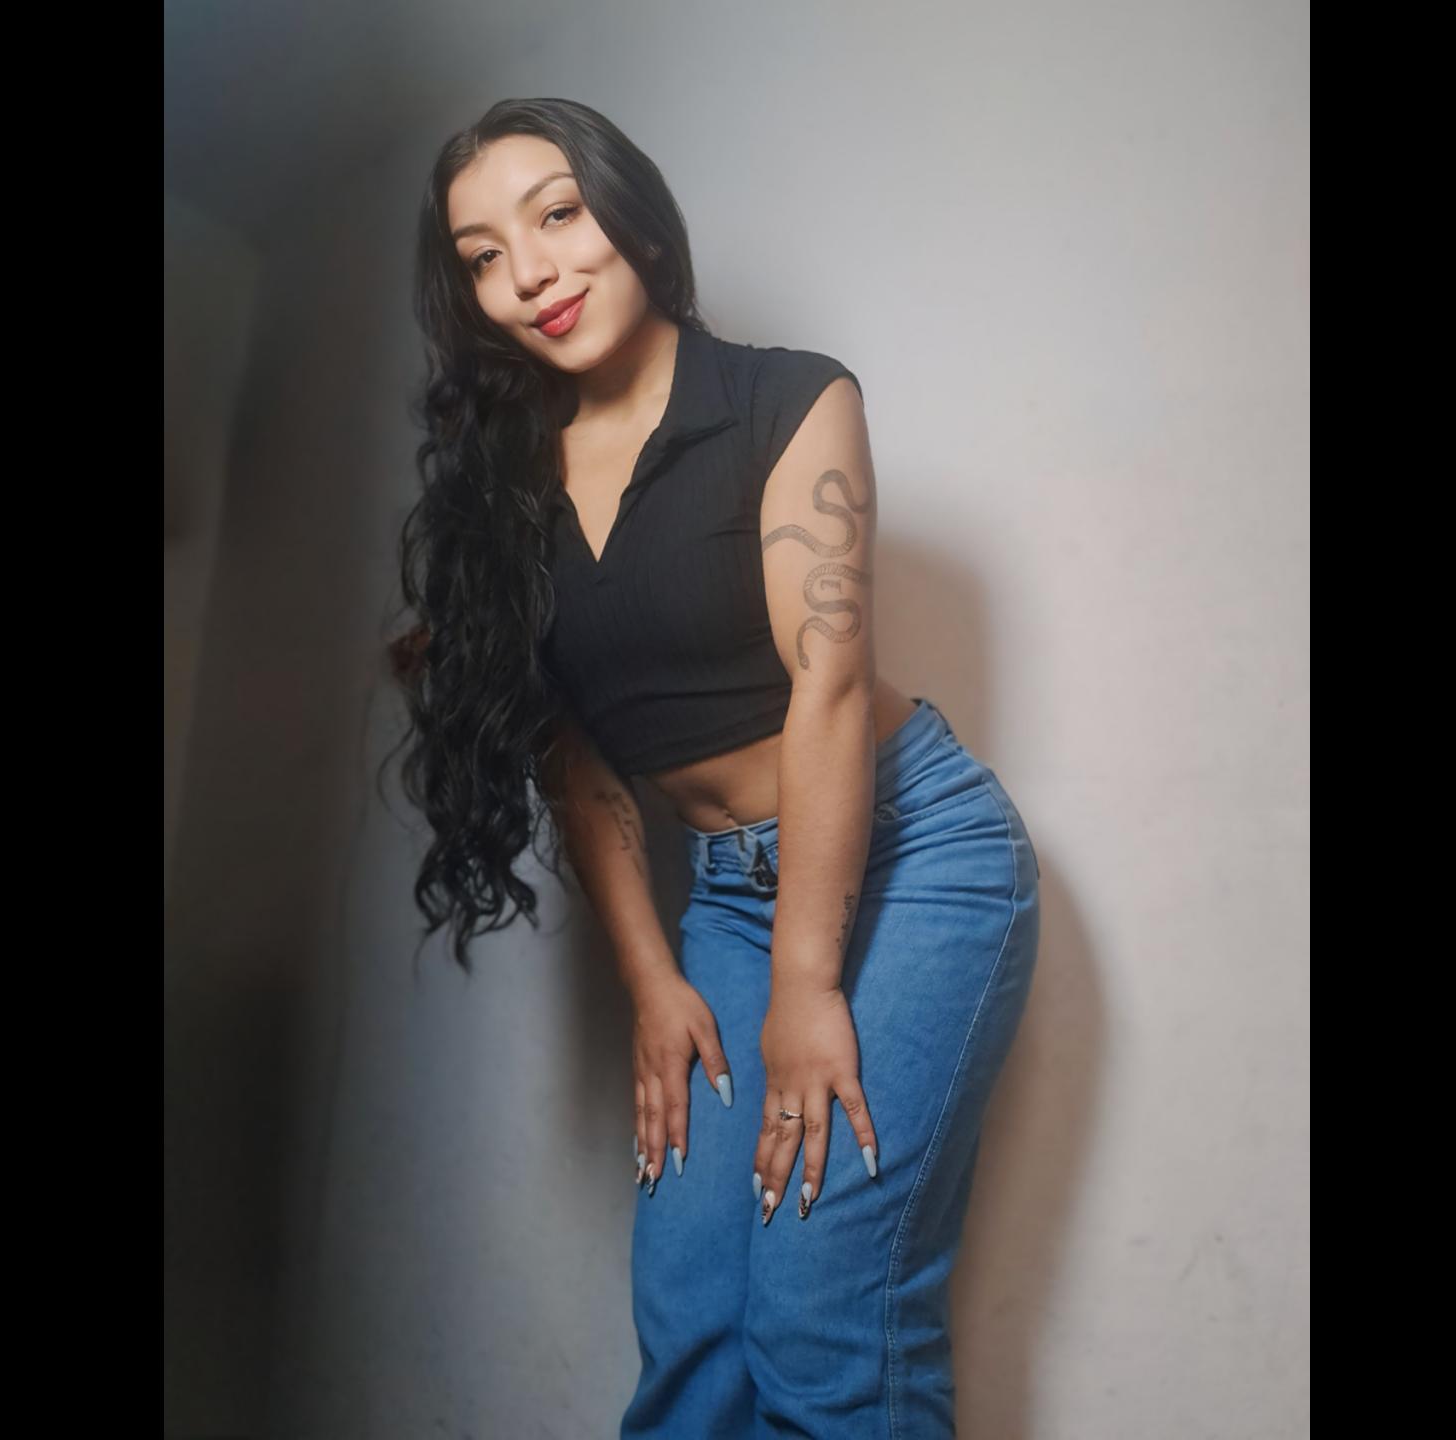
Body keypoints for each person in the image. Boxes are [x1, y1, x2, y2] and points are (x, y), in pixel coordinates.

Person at [386, 97, 1041, 1438]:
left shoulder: (787, 400)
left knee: (823, 1312)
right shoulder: (501, 488)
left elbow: (828, 689)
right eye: (484, 256)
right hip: (728, 900)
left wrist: (806, 985)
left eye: (557, 214)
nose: (532, 273)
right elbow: (572, 755)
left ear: (629, 210)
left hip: (915, 857)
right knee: (690, 1315)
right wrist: (651, 980)